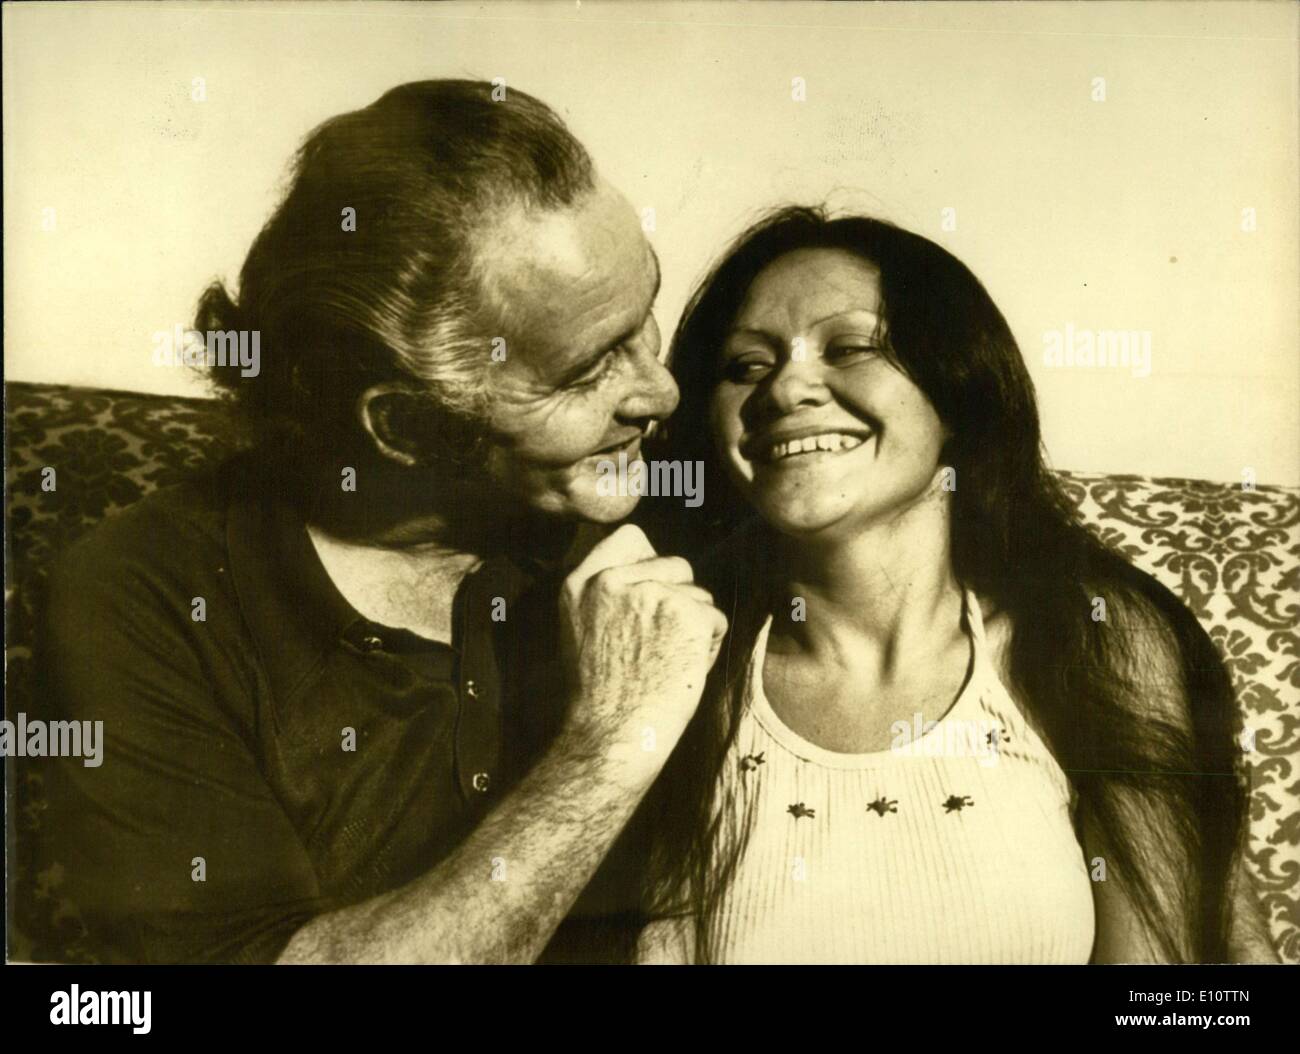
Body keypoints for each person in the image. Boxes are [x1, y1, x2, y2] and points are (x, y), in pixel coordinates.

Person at [30, 80, 726, 964]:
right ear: (403, 426)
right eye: (588, 371)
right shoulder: (144, 598)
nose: (660, 393)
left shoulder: (655, 499)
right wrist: (608, 747)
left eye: (645, 320)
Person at [633, 206, 1278, 964]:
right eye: (746, 365)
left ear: (958, 393)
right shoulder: (679, 660)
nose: (787, 387)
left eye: (850, 347)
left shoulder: (1094, 638)